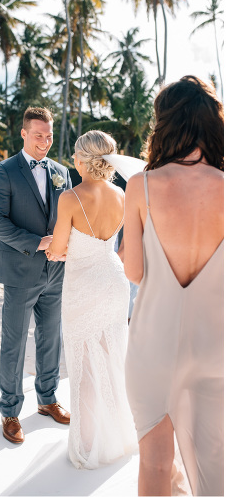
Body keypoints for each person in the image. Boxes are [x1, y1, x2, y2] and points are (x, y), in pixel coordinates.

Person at [123, 76, 223, 496]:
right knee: (213, 470)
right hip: (215, 346)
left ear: (166, 123)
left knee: (156, 466)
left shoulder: (142, 186)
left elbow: (134, 272)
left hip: (154, 345)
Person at [44, 130, 136, 469]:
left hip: (83, 283)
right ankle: (118, 434)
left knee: (82, 362)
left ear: (82, 159)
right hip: (114, 279)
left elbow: (58, 247)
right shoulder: (123, 194)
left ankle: (87, 444)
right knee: (113, 355)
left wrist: (54, 251)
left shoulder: (70, 197)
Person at [0, 106, 72, 445]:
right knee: (15, 343)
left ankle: (47, 399)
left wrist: (63, 244)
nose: (44, 142)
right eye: (38, 135)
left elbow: (67, 213)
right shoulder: (3, 171)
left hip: (56, 270)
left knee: (51, 338)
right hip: (20, 271)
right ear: (23, 133)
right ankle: (10, 411)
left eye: (49, 136)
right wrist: (38, 242)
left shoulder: (61, 171)